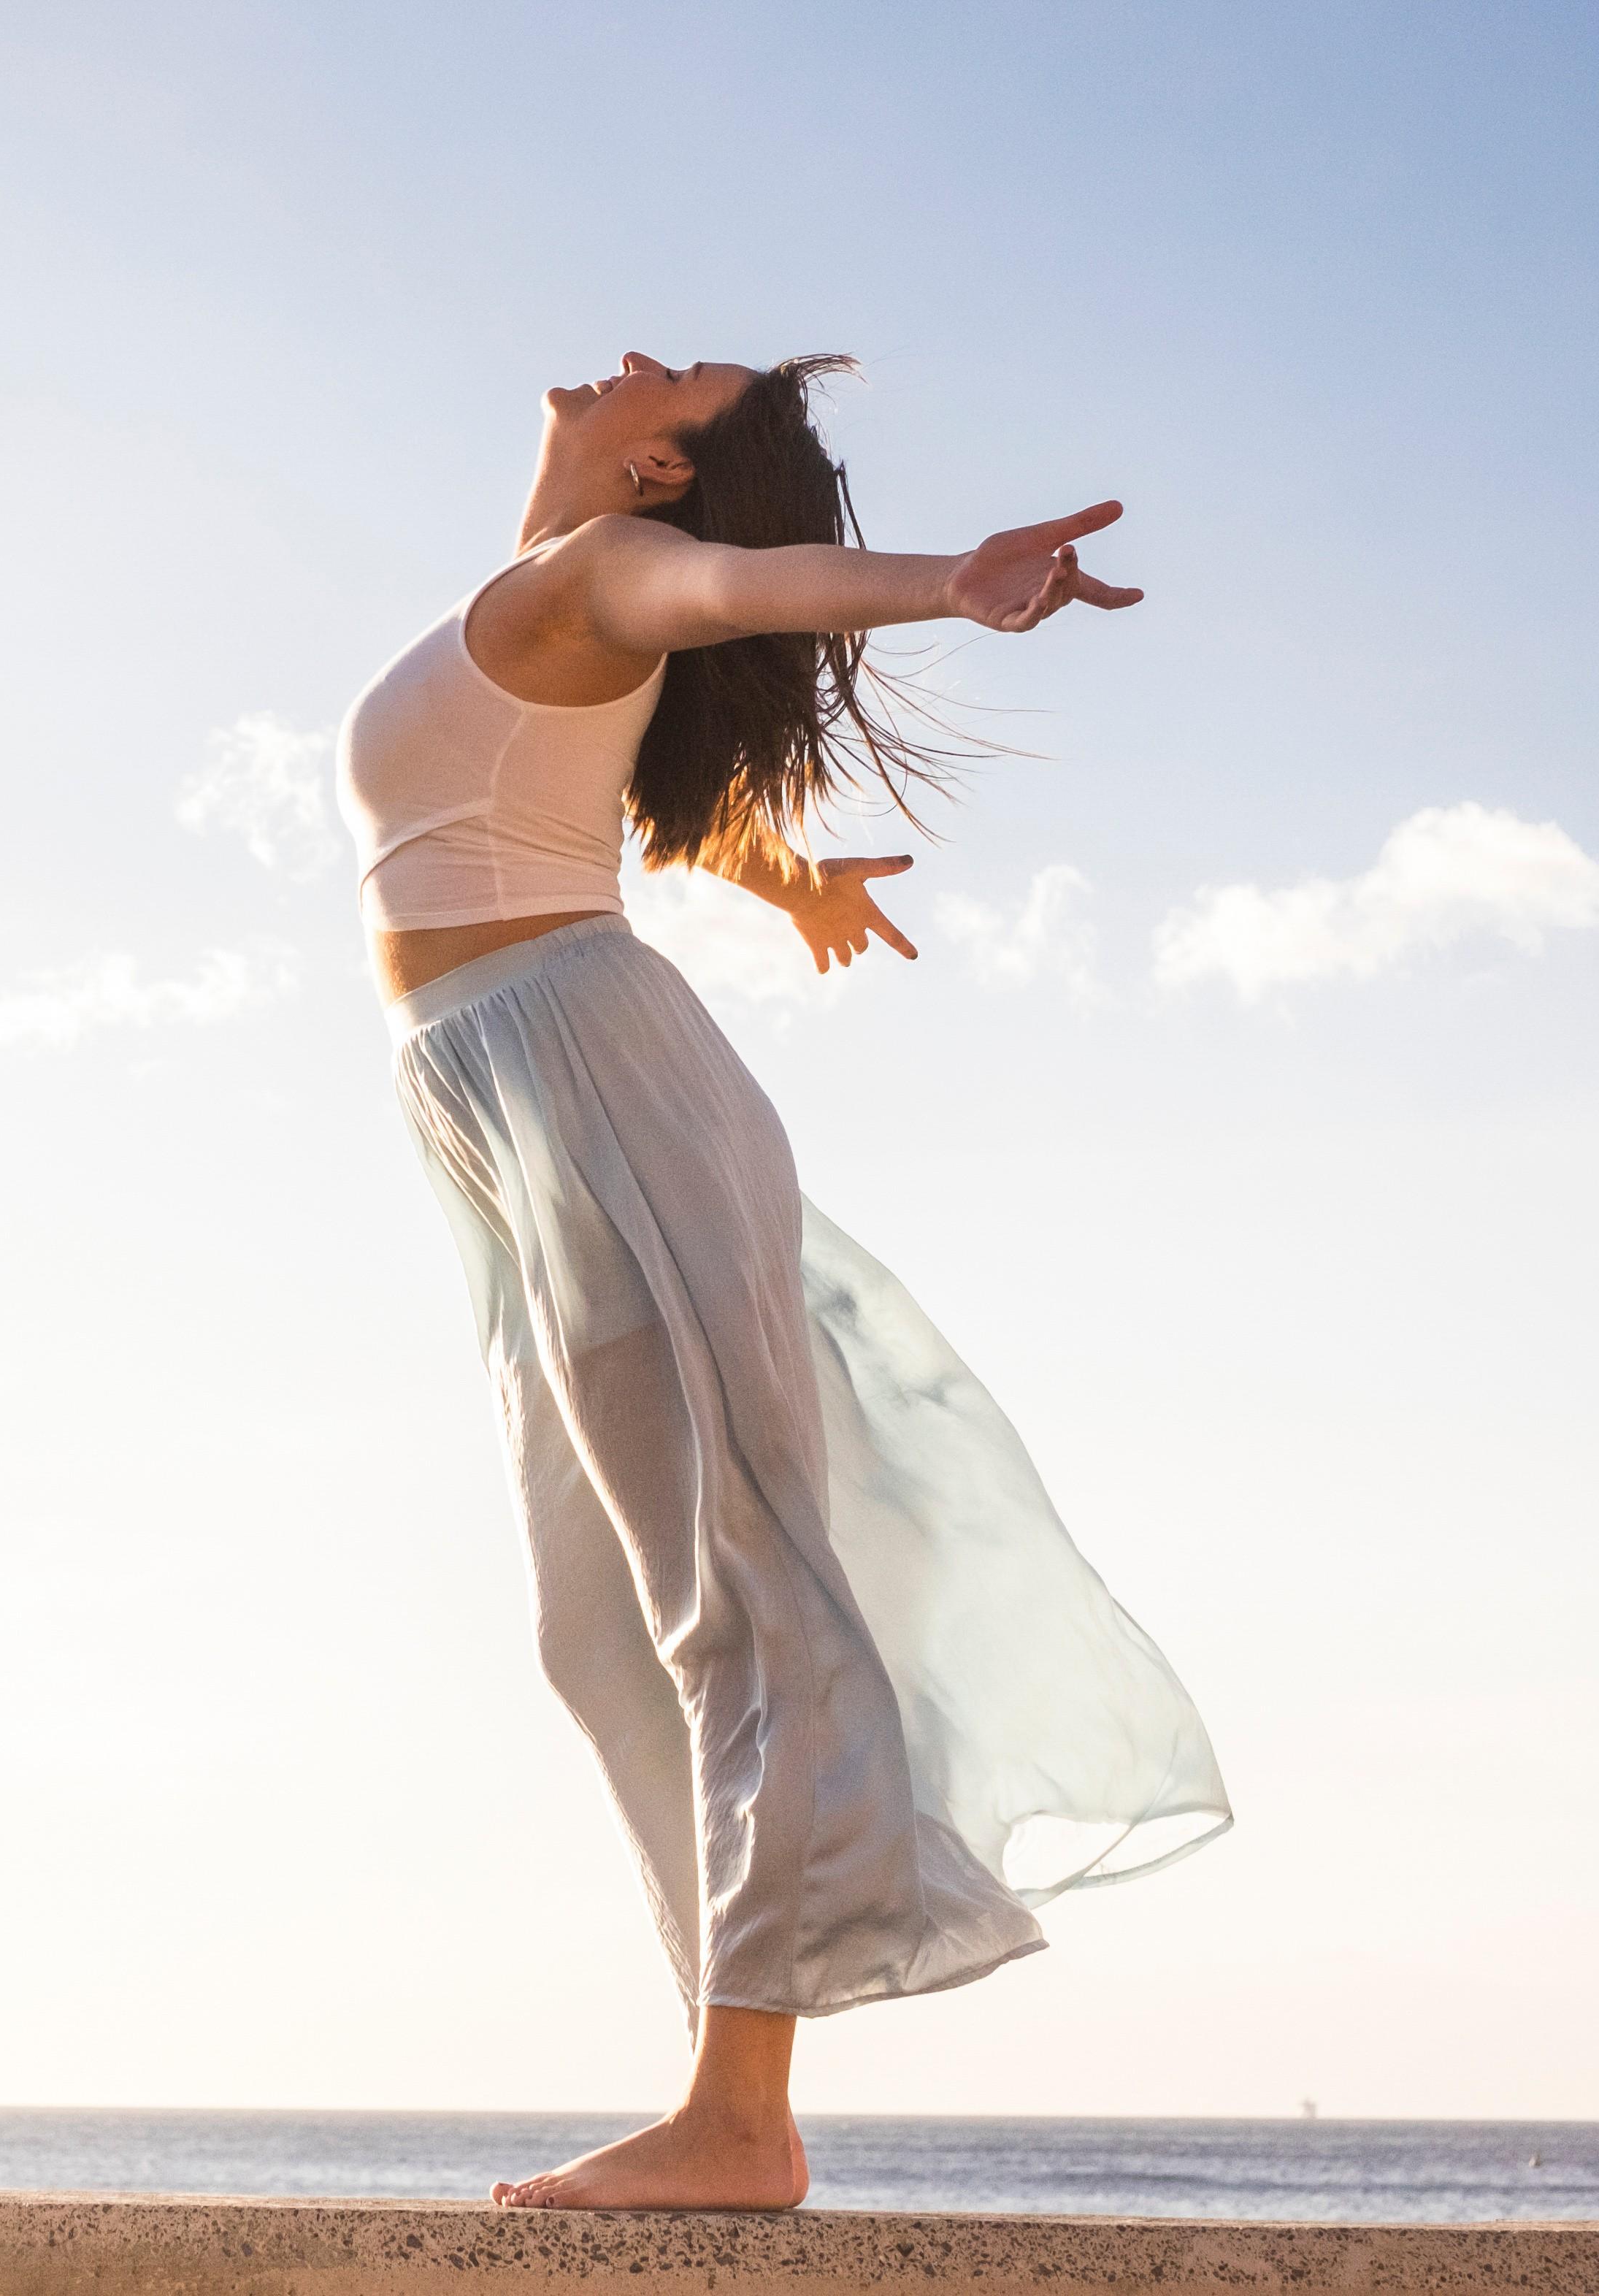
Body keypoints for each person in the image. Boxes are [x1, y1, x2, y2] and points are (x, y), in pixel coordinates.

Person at [334, 353, 1230, 2212]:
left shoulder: (613, 563)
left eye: (679, 379)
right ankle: (715, 2080)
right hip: (497, 1099)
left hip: (581, 1067)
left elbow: (746, 588)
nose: (638, 358)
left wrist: (952, 583)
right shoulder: (551, 587)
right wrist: (785, 878)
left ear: (661, 462)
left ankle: (741, 2120)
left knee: (732, 1568)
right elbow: (588, 768)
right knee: (594, 1621)